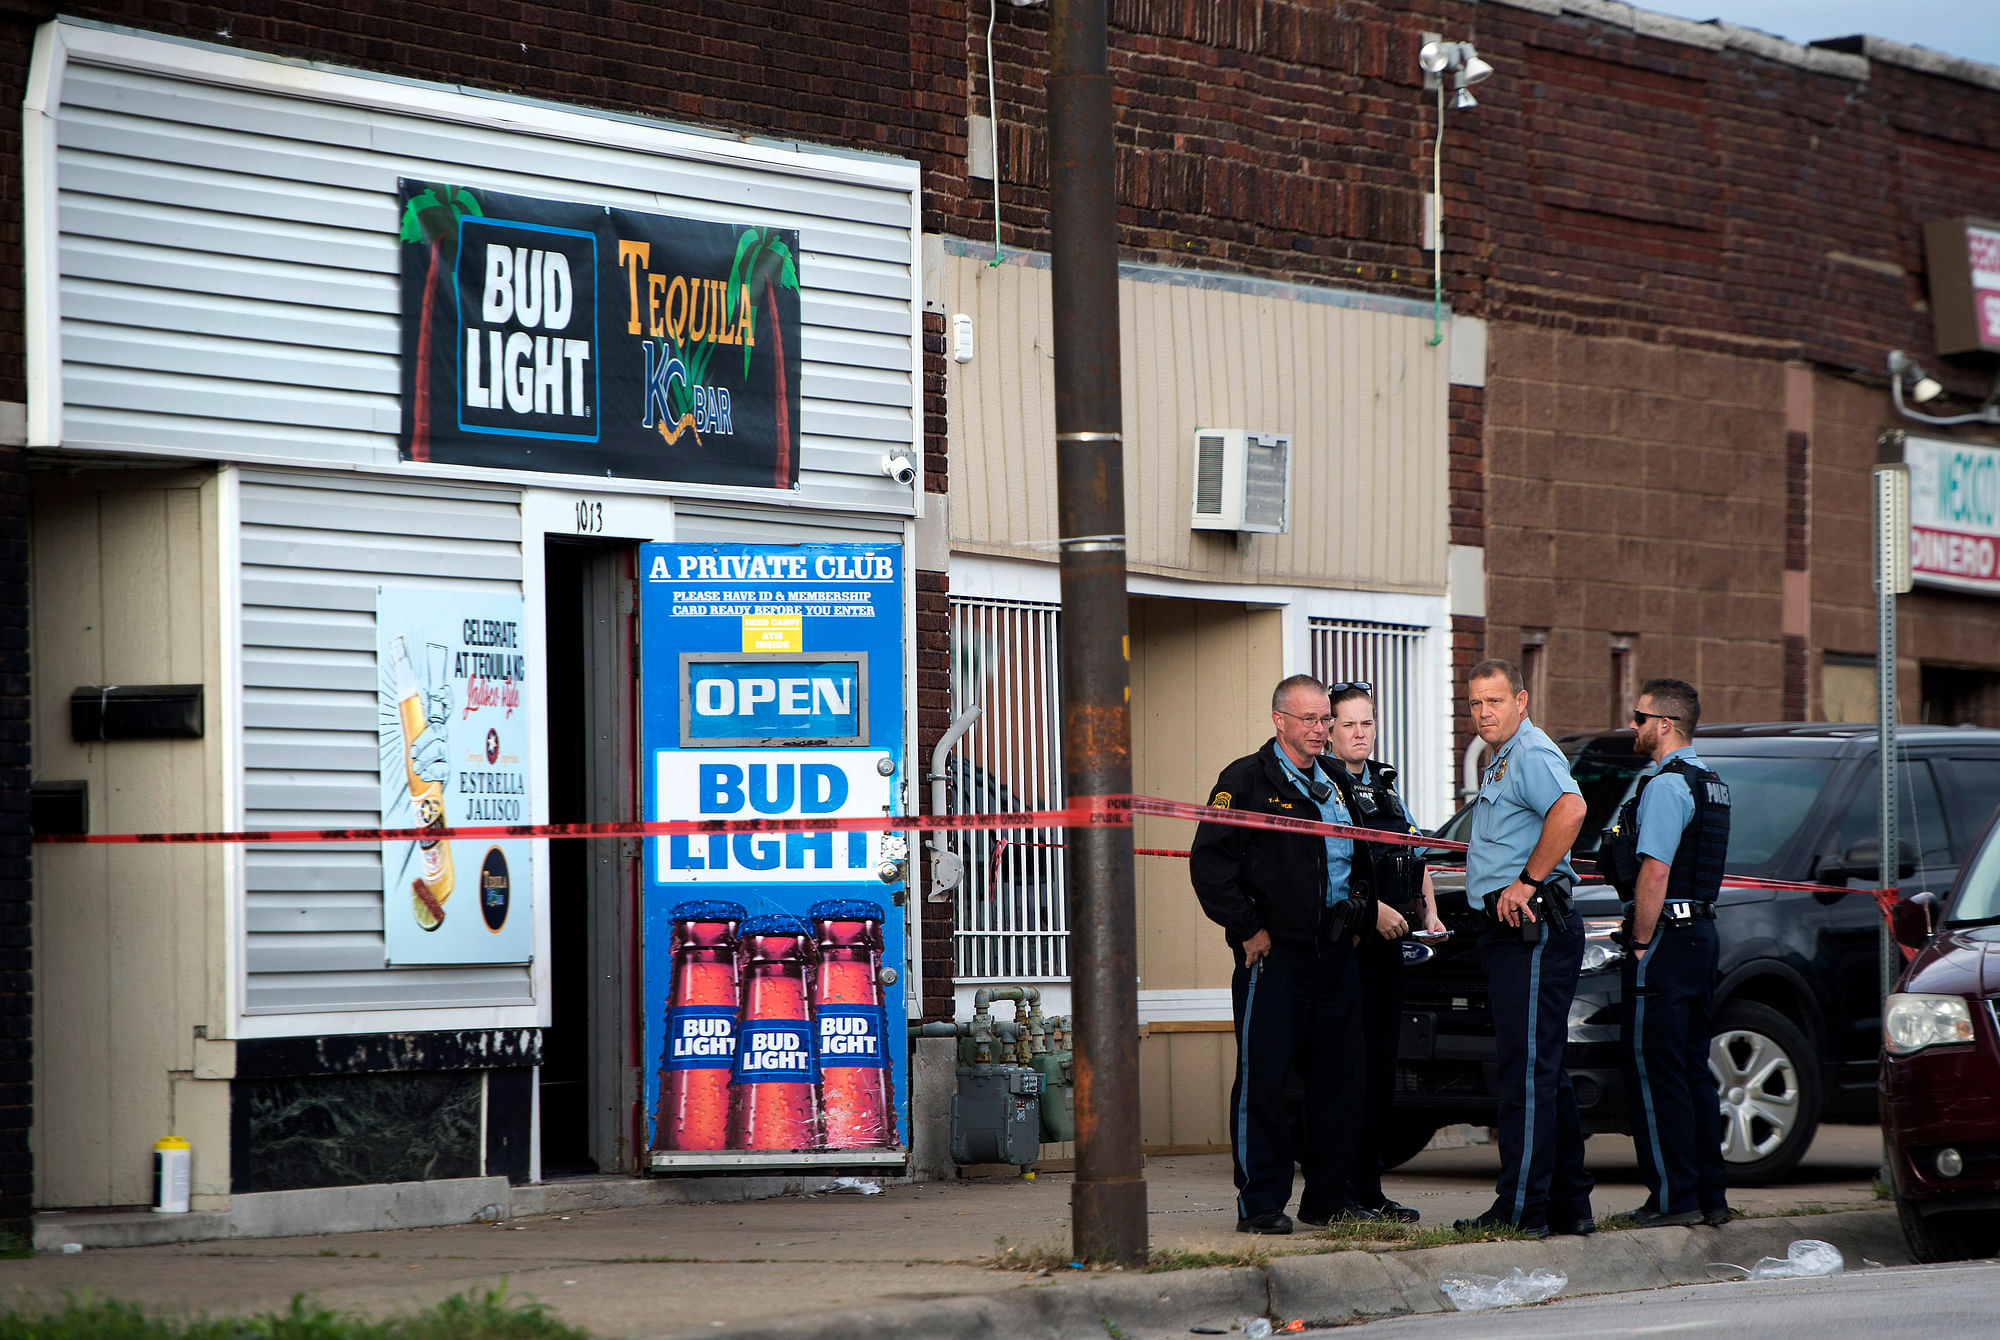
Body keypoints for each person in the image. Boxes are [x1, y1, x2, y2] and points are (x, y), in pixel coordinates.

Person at [1190, 673, 1383, 1234]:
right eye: (1311, 720)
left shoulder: (1334, 781)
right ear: (1280, 721)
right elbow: (1211, 867)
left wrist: (1356, 917)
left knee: (1338, 1081)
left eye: (1327, 719)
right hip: (1274, 958)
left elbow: (1359, 858)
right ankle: (1261, 1204)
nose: (1323, 730)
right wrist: (1248, 929)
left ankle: (1328, 1197)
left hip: (1334, 954)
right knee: (1264, 1081)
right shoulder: (1246, 781)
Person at [1451, 658, 1596, 1238]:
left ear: (1521, 700)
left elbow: (1572, 809)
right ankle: (1568, 1206)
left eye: (1494, 701)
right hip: (1508, 932)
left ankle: (1520, 1209)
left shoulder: (1531, 753)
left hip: (1532, 928)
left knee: (1526, 1074)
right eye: (1475, 704)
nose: (1484, 713)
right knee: (1543, 1072)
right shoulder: (1503, 759)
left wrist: (1527, 880)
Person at [1599, 677, 1733, 1228]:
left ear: (1665, 724)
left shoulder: (1667, 786)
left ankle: (1671, 1198)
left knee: (1655, 1072)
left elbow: (1654, 870)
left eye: (1639, 717)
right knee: (1691, 1069)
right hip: (1701, 936)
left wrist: (1638, 942)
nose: (1632, 725)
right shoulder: (1712, 782)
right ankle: (1709, 1195)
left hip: (1668, 939)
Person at [1321, 681, 1445, 1222]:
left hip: (1392, 946)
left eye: (1367, 723)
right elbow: (1329, 869)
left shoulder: (1385, 784)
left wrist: (1430, 911)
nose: (1359, 734)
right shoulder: (1322, 785)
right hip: (1347, 946)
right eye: (1348, 724)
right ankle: (1340, 1191)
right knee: (1345, 1071)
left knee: (1379, 1071)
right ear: (1328, 730)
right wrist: (1371, 914)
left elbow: (1413, 852)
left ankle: (1369, 1189)